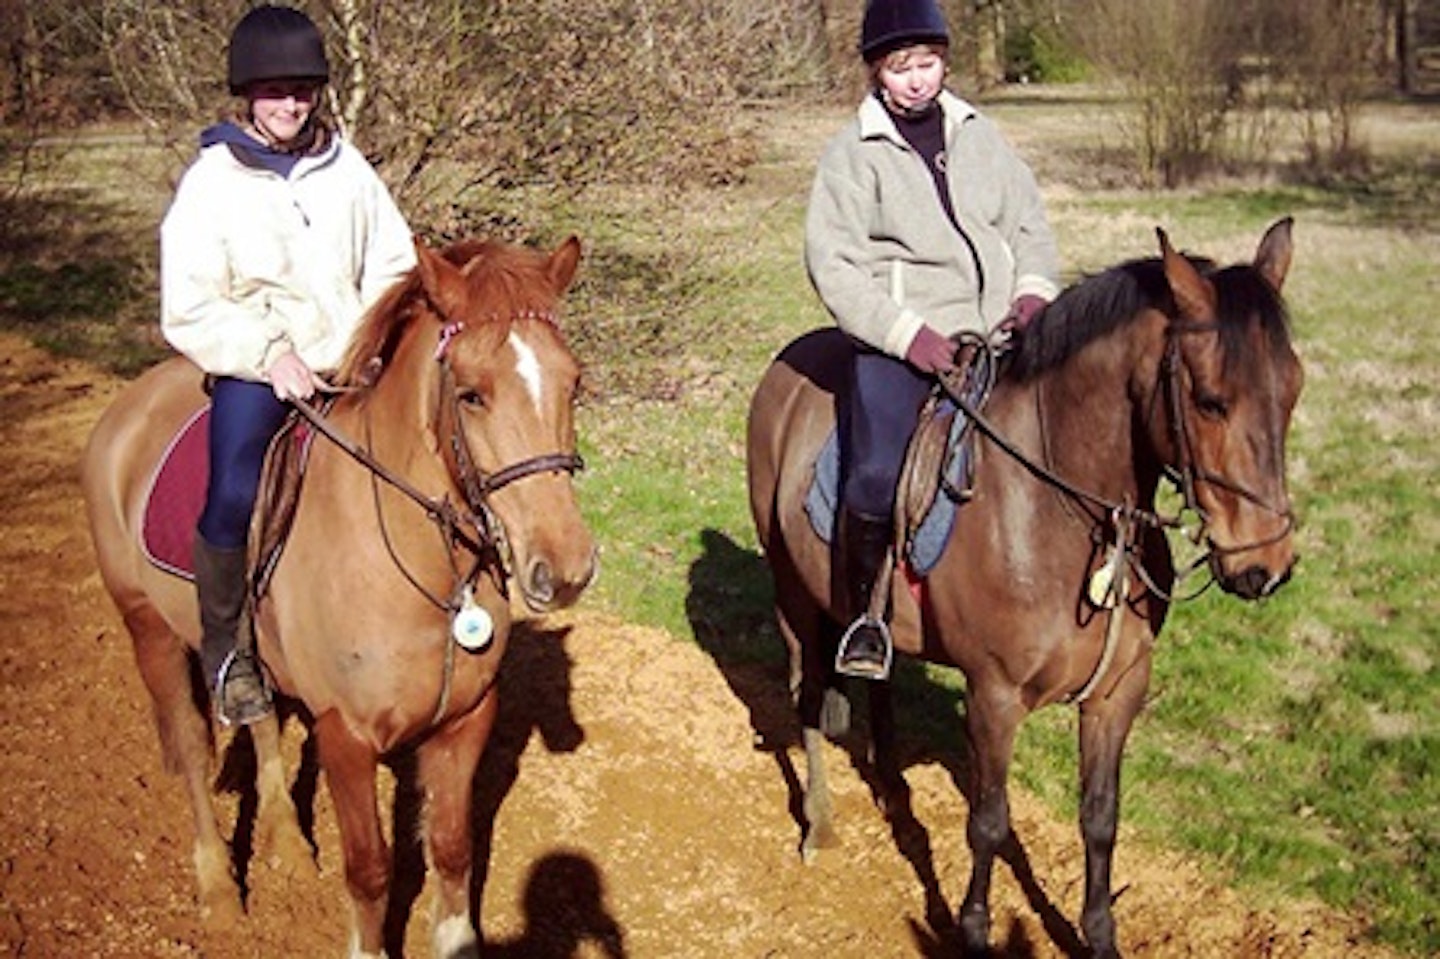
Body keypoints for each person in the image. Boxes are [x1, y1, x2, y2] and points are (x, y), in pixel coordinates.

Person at [160, 5, 417, 725]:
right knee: (236, 484)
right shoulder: (211, 183)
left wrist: (373, 340)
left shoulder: (348, 169)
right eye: (274, 90)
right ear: (247, 93)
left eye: (302, 89)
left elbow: (393, 263)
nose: (290, 104)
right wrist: (270, 352)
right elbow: (190, 304)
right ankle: (229, 650)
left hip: (355, 357)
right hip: (258, 367)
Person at [804, 0, 1061, 681]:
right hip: (902, 342)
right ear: (876, 73)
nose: (917, 80)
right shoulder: (850, 154)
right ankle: (864, 617)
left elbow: (1029, 220)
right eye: (900, 67)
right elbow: (833, 264)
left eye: (928, 62)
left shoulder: (980, 134)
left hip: (1001, 335)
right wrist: (905, 333)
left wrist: (1034, 289)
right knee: (874, 472)